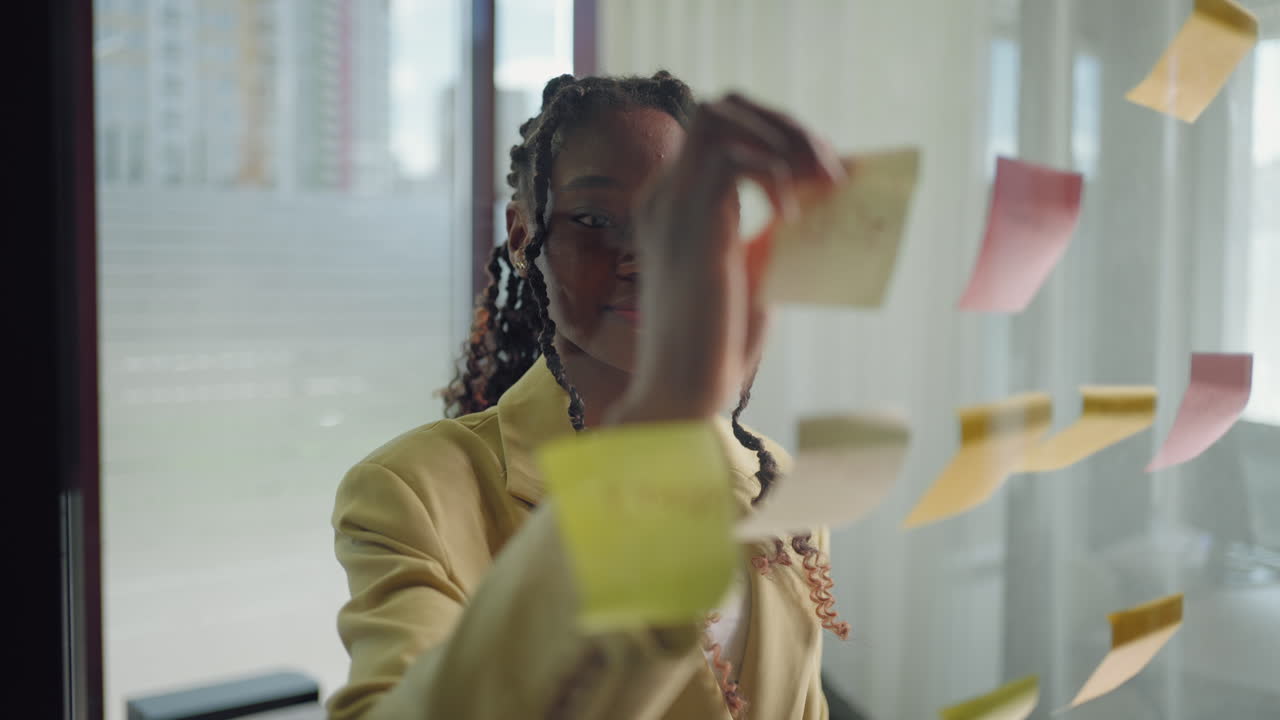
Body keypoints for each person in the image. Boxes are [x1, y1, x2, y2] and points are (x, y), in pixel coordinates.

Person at [327, 71, 851, 720]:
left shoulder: (782, 486)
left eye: (674, 222)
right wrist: (661, 427)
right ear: (523, 238)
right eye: (595, 220)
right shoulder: (410, 494)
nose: (640, 258)